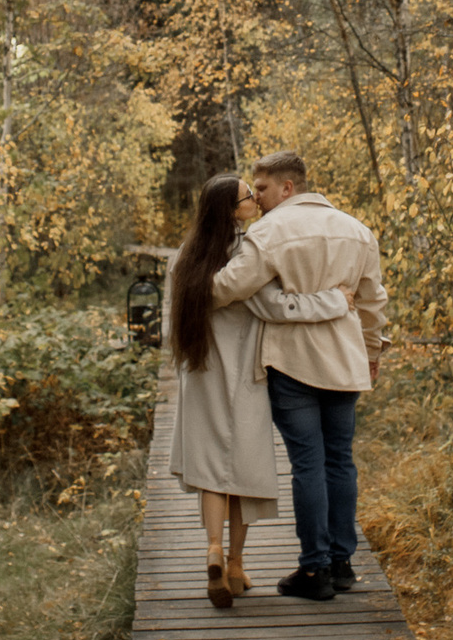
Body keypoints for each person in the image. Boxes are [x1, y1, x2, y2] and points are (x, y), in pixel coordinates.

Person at [165, 173, 353, 608]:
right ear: (232, 211)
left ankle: (212, 549)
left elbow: (177, 318)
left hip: (198, 372)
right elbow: (278, 307)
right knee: (243, 468)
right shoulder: (243, 253)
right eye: (250, 196)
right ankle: (234, 565)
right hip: (242, 375)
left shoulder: (184, 256)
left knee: (212, 466)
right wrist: (336, 300)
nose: (256, 200)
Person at [209, 150, 387, 601]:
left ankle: (315, 570)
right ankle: (342, 563)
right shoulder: (358, 230)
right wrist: (371, 353)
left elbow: (229, 287)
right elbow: (372, 302)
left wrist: (193, 284)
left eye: (263, 187)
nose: (258, 197)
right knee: (339, 460)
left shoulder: (268, 232)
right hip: (345, 361)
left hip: (292, 363)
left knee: (308, 463)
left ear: (288, 188)